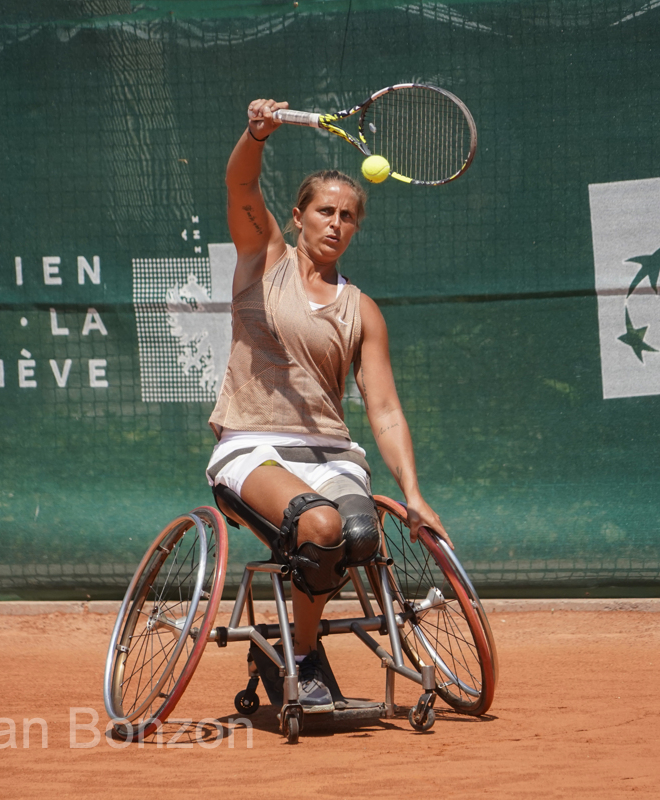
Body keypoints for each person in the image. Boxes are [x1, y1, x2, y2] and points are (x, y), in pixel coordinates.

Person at [206, 98, 451, 712]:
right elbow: (239, 181)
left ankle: (292, 644)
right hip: (252, 447)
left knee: (361, 534)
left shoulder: (362, 309)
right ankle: (302, 655)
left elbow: (385, 409)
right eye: (324, 211)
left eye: (348, 215)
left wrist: (413, 493)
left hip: (332, 455)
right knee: (320, 528)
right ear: (297, 217)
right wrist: (256, 134)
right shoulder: (265, 257)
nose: (336, 223)